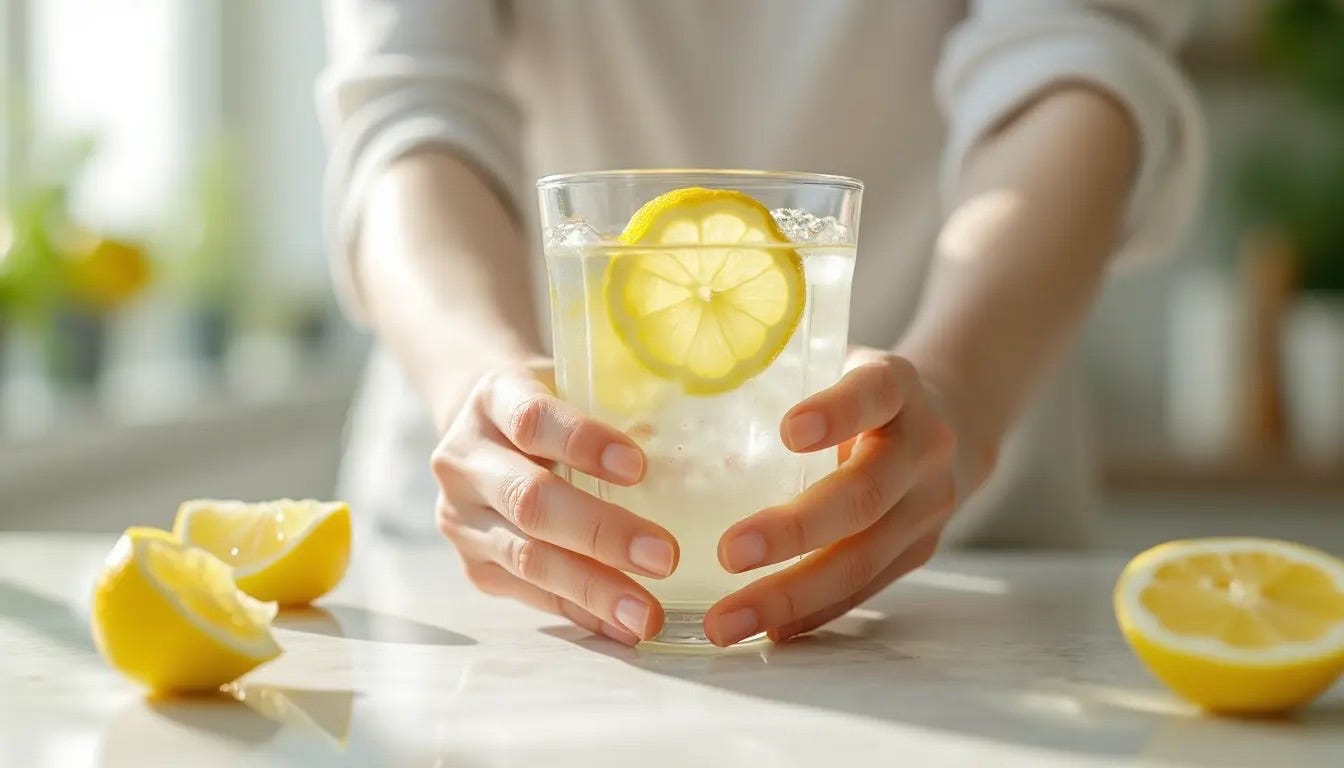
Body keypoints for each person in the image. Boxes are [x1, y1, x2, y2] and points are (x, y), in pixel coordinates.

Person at [318, 1, 1203, 647]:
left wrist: (961, 393)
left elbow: (1079, 50)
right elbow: (408, 110)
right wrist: (489, 393)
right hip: (498, 558)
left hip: (953, 551)